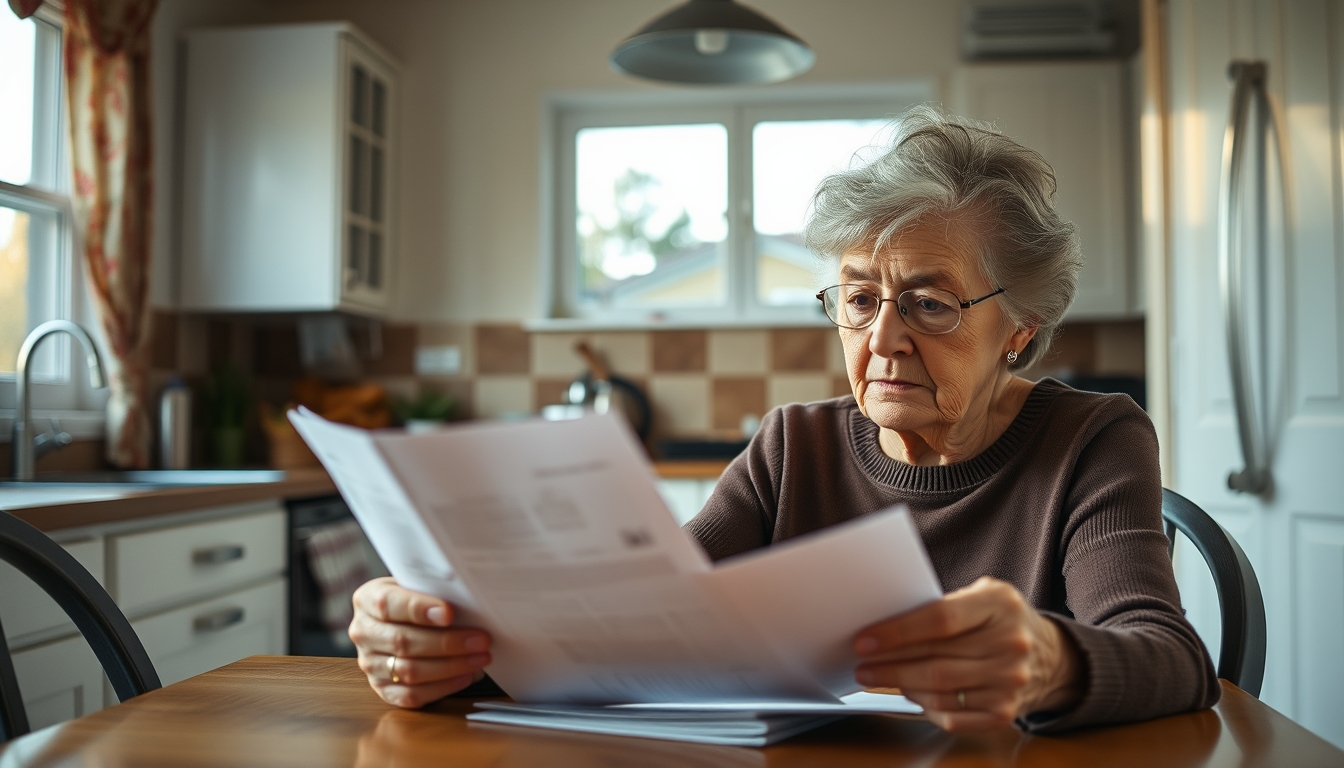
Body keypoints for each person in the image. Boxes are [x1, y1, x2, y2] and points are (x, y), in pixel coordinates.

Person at [346, 106, 1220, 733]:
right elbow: (630, 629)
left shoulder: (1094, 439)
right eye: (858, 298)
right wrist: (438, 651)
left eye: (928, 303)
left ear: (1019, 328)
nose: (882, 338)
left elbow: (1171, 659)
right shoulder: (791, 445)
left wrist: (1051, 659)